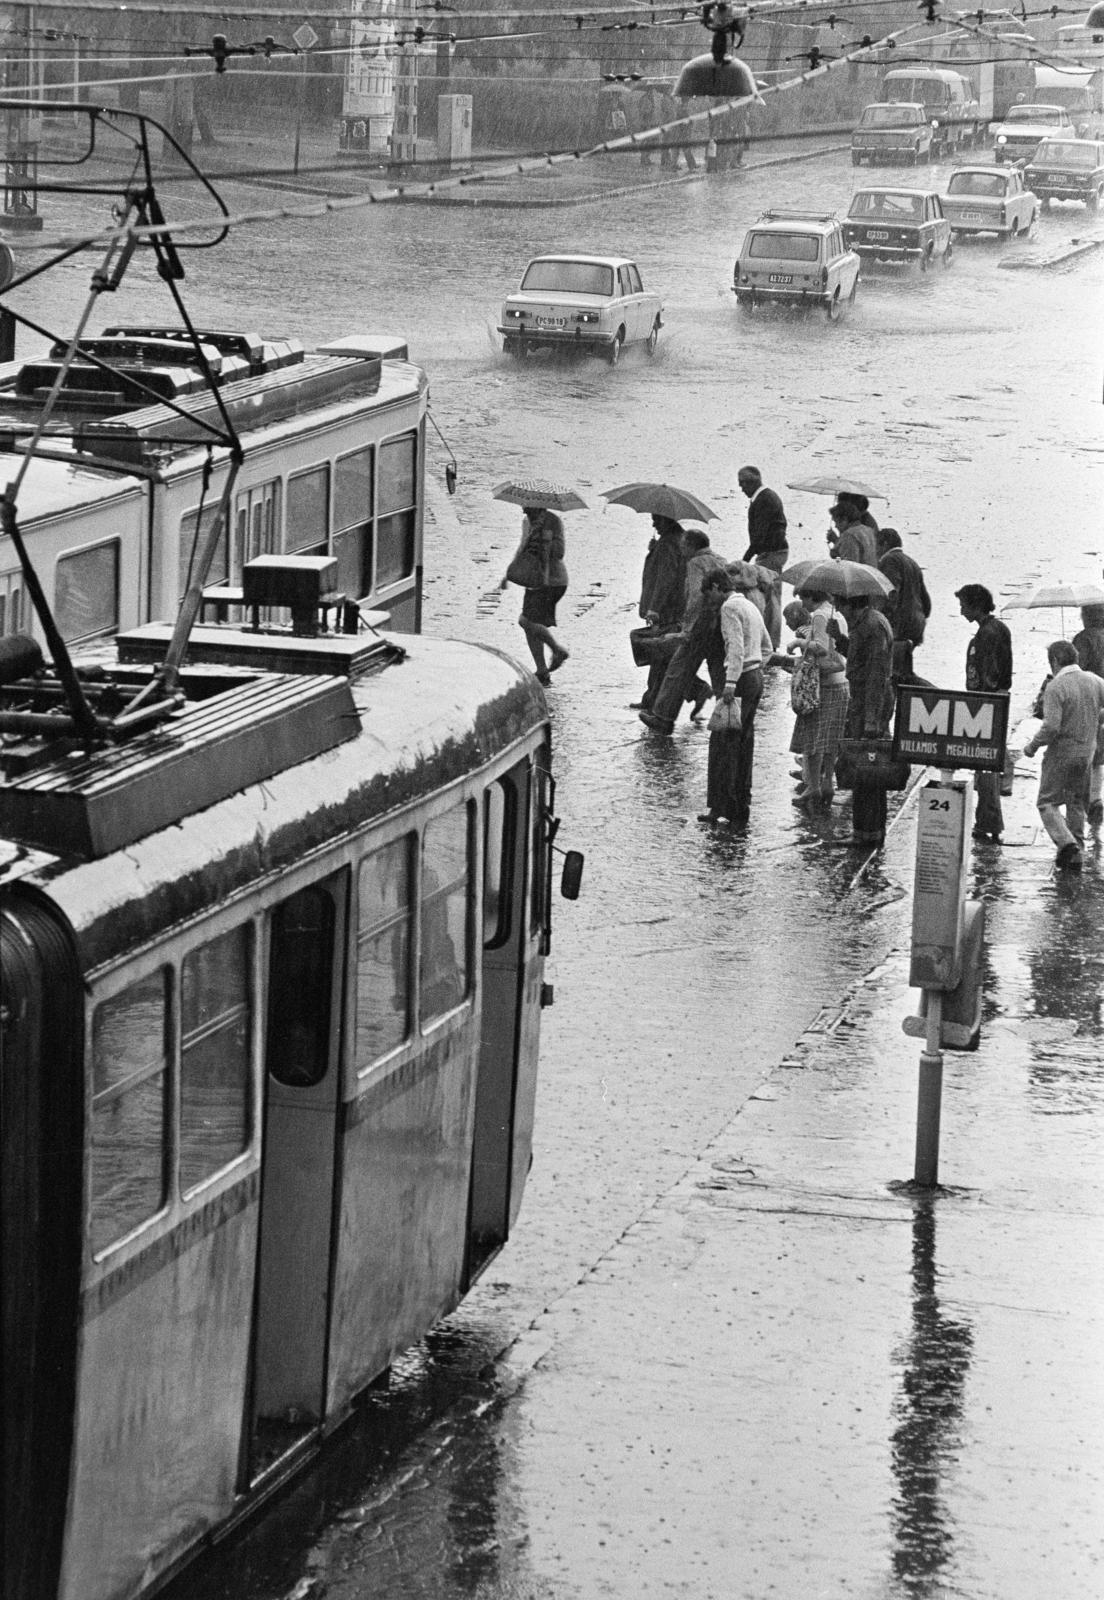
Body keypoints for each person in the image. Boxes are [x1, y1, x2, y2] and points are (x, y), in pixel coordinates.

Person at [699, 562, 772, 826]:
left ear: (717, 587)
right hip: (755, 678)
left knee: (723, 744)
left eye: (709, 594)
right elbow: (767, 646)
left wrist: (730, 682)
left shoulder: (729, 608)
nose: (710, 601)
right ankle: (742, 803)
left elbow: (735, 647)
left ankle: (721, 806)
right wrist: (756, 665)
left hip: (739, 680)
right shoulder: (750, 605)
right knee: (744, 742)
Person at [1022, 639, 1104, 872]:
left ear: (1056, 661)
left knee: (1047, 803)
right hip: (1087, 752)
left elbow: (1051, 727)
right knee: (1076, 799)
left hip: (1062, 753)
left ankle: (1067, 845)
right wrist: (1097, 718)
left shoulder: (1056, 687)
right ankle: (1077, 847)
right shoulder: (1095, 681)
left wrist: (1032, 746)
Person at [639, 528, 728, 731]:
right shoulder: (720, 559)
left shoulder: (696, 563)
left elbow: (696, 596)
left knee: (677, 668)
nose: (681, 549)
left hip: (702, 624)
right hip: (720, 623)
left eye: (683, 545)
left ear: (690, 546)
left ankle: (663, 718)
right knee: (718, 671)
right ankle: (727, 714)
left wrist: (687, 628)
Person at [955, 583, 1012, 843]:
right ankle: (987, 819)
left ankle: (988, 821)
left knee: (985, 763)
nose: (961, 610)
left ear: (975, 605)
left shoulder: (986, 635)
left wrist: (980, 704)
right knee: (988, 764)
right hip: (999, 698)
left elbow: (987, 673)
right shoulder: (999, 628)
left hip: (987, 703)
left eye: (963, 605)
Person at [838, 593, 895, 846]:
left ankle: (867, 832)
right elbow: (858, 660)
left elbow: (875, 673)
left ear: (852, 604)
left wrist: (872, 719)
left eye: (841, 605)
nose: (840, 610)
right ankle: (866, 830)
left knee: (868, 769)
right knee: (868, 770)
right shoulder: (867, 623)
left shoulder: (872, 626)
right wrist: (840, 640)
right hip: (866, 703)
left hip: (870, 704)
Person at [788, 587, 850, 810]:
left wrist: (799, 643)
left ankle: (813, 786)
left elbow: (822, 649)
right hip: (842, 681)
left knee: (812, 738)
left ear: (813, 596)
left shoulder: (819, 616)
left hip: (823, 684)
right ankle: (828, 783)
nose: (802, 604)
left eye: (803, 598)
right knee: (831, 738)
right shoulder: (838, 614)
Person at [500, 505, 569, 685]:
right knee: (530, 623)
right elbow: (522, 547)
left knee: (526, 621)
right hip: (533, 581)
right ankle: (542, 670)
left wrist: (545, 542)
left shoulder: (553, 521)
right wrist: (511, 571)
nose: (523, 510)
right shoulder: (527, 521)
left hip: (552, 581)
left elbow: (560, 553)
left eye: (526, 507)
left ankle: (557, 650)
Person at [630, 515, 687, 710]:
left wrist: (654, 608)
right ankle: (652, 697)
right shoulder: (679, 539)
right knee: (663, 654)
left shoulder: (668, 544)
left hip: (666, 609)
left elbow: (665, 578)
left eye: (657, 520)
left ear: (667, 520)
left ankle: (655, 699)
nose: (654, 524)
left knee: (660, 654)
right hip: (676, 607)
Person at [737, 464, 787, 648]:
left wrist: (745, 559)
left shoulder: (764, 500)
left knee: (770, 597)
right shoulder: (766, 497)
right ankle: (770, 641)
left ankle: (770, 642)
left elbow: (760, 534)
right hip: (774, 551)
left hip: (771, 553)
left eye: (742, 484)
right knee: (770, 596)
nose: (741, 488)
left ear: (752, 482)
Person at [878, 528, 931, 683]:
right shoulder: (912, 563)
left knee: (891, 675)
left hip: (900, 627)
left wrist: (883, 620)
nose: (876, 551)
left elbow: (891, 593)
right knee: (904, 674)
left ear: (885, 544)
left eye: (877, 546)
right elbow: (926, 602)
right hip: (916, 625)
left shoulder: (889, 560)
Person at [1072, 603, 1104, 827]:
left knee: (1083, 748)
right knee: (1100, 751)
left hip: (1087, 698)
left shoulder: (1084, 639)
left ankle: (1083, 799)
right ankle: (1096, 797)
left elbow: (1076, 668)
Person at [828, 499, 878, 567]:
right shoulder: (868, 531)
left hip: (858, 575)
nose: (836, 526)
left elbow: (848, 565)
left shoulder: (849, 535)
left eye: (836, 522)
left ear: (844, 519)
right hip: (870, 572)